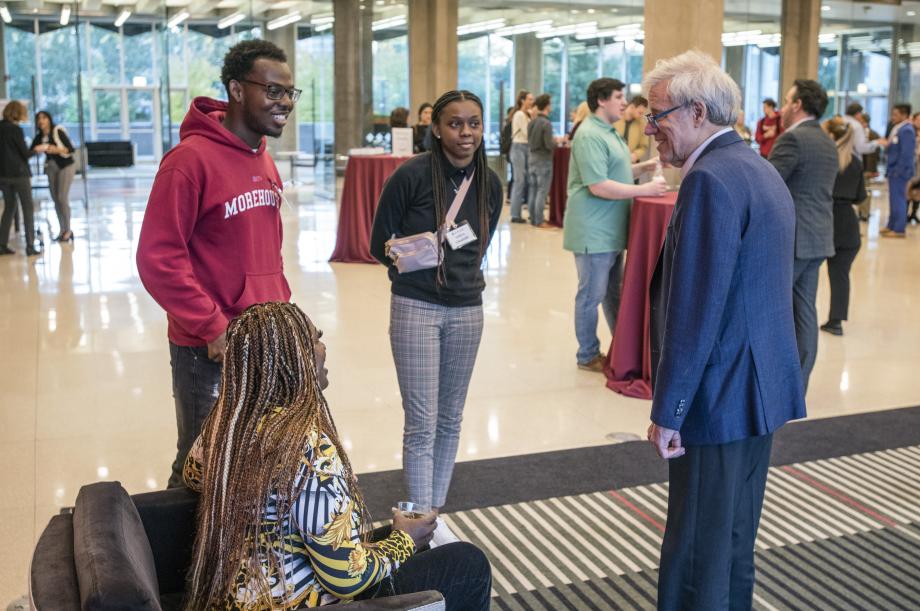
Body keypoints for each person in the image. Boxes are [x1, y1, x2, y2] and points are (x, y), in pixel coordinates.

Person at [183, 302, 492, 609]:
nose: (323, 348)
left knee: (419, 545)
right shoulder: (306, 449)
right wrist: (403, 542)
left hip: (239, 594)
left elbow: (192, 477)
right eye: (315, 339)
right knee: (467, 562)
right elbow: (344, 577)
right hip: (301, 601)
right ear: (295, 359)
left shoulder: (227, 426)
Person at [643, 50, 806, 611]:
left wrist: (670, 410)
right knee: (734, 537)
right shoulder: (756, 167)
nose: (651, 129)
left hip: (718, 393)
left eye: (656, 114)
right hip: (758, 388)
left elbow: (695, 309)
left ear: (695, 112)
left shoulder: (709, 180)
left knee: (695, 547)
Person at [136, 39, 296, 488]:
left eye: (289, 92)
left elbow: (268, 250)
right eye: (272, 90)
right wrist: (212, 327)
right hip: (206, 348)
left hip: (261, 338)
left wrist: (289, 320)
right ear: (237, 90)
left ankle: (234, 555)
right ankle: (177, 557)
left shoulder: (262, 157)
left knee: (248, 462)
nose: (283, 102)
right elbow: (157, 257)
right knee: (200, 465)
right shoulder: (188, 161)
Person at [370, 91, 502, 518]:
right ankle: (419, 520)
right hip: (416, 307)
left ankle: (436, 510)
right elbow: (377, 244)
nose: (466, 133)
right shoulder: (411, 176)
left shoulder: (491, 183)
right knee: (422, 422)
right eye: (455, 124)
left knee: (450, 418)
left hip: (468, 308)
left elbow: (481, 244)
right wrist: (416, 262)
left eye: (474, 123)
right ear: (437, 128)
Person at [563, 77, 665, 372]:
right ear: (601, 100)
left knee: (613, 293)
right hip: (593, 230)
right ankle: (587, 354)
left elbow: (613, 172)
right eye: (619, 97)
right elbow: (598, 185)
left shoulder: (609, 132)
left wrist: (642, 168)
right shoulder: (590, 134)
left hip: (610, 230)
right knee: (591, 295)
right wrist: (643, 190)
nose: (624, 102)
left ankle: (622, 349)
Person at [768, 78, 839, 392]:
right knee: (804, 311)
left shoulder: (792, 140)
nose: (782, 108)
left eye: (786, 101)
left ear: (797, 105)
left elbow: (767, 184)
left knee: (771, 308)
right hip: (819, 236)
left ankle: (774, 381)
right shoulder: (826, 141)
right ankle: (798, 383)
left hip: (793, 239)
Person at [820, 117, 866, 337]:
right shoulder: (856, 161)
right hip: (848, 224)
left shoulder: (827, 159)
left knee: (804, 275)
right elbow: (860, 196)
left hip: (827, 220)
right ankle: (836, 320)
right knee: (841, 275)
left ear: (831, 136)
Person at [0, 100, 39, 256]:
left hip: (2, 176)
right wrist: (36, 149)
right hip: (19, 175)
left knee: (9, 207)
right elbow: (25, 153)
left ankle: (2, 244)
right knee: (27, 208)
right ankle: (30, 246)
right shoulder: (15, 130)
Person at [30, 110, 76, 243]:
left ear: (49, 119)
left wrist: (56, 149)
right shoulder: (39, 137)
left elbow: (71, 149)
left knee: (62, 197)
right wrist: (39, 148)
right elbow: (31, 150)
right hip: (51, 167)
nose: (41, 121)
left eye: (44, 118)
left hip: (65, 166)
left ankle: (68, 230)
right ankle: (62, 230)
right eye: (39, 119)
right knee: (55, 199)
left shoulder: (57, 131)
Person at [880, 103, 916, 238]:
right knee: (893, 199)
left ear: (904, 115)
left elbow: (906, 154)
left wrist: (898, 171)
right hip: (893, 169)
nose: (893, 117)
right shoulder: (898, 128)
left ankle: (899, 229)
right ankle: (891, 225)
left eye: (896, 114)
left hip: (900, 171)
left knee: (899, 199)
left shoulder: (906, 130)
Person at [526, 93, 556, 228]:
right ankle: (539, 220)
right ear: (547, 105)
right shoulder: (546, 123)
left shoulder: (532, 122)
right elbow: (548, 144)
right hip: (543, 159)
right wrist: (556, 142)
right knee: (542, 191)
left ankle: (533, 218)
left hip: (531, 157)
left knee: (533, 189)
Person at [509, 89, 533, 222]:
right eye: (530, 99)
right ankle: (515, 215)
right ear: (523, 100)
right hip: (519, 147)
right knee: (519, 181)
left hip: (525, 147)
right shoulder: (519, 114)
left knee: (525, 180)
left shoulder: (527, 114)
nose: (532, 102)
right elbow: (527, 133)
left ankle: (523, 212)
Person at [613, 95, 651, 163]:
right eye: (640, 113)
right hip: (612, 161)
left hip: (630, 163)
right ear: (632, 107)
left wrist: (636, 155)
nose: (641, 116)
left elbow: (643, 146)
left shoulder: (642, 124)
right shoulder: (615, 118)